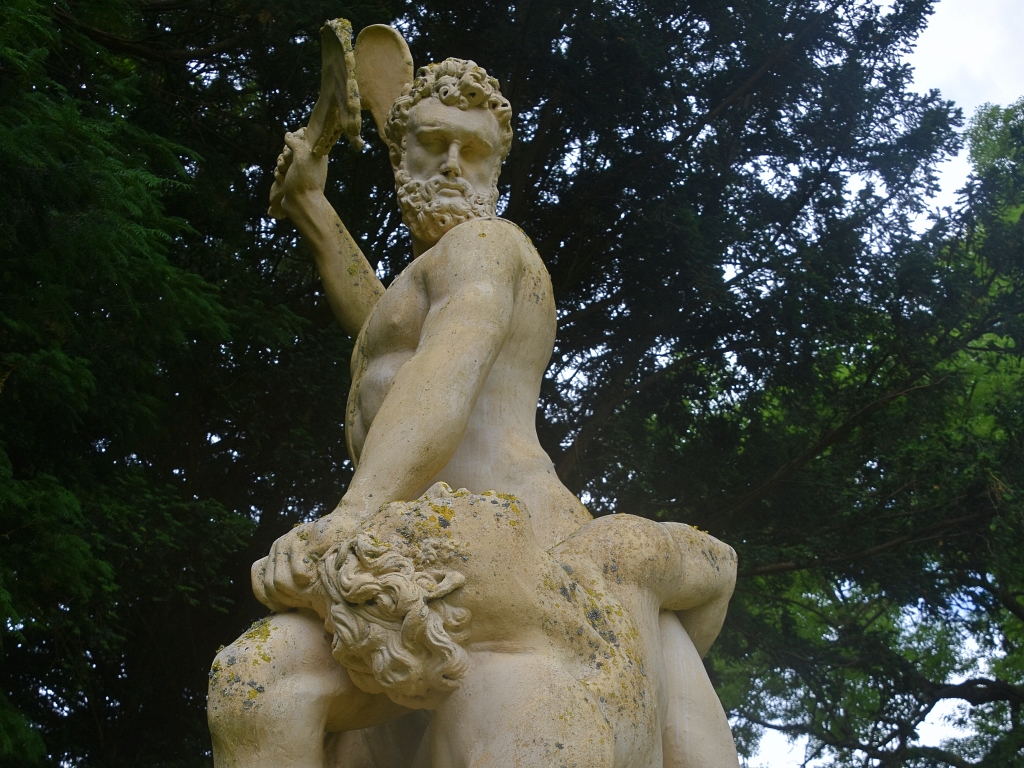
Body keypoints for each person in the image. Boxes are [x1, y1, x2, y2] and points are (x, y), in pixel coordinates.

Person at [209, 58, 738, 768]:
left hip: (510, 546)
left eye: (477, 151)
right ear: (401, 156)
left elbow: (443, 372)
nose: (456, 166)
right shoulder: (418, 286)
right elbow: (377, 323)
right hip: (402, 562)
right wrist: (312, 206)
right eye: (434, 143)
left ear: (496, 172)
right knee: (255, 680)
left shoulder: (489, 246)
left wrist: (353, 509)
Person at [317, 483, 739, 768]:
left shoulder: (616, 550)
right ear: (436, 585)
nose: (438, 489)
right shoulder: (514, 700)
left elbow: (720, 570)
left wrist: (668, 676)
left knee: (669, 630)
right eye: (423, 517)